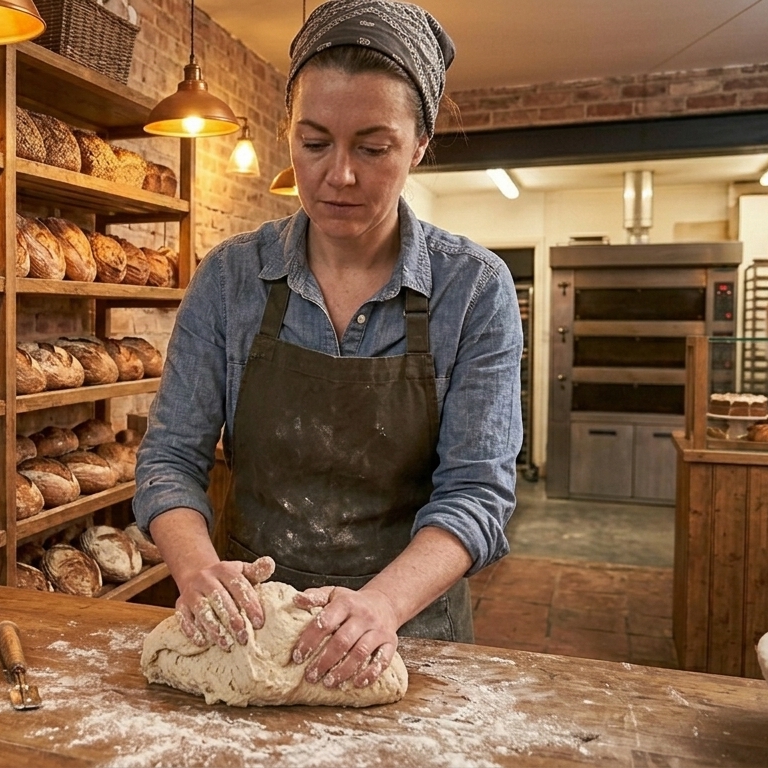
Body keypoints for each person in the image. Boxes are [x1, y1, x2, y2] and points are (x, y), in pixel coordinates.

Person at [132, 0, 522, 692]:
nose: (339, 175)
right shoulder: (230, 279)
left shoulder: (474, 290)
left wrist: (381, 606)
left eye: (373, 148)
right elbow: (169, 457)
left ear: (420, 143)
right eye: (314, 143)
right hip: (245, 631)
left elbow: (477, 493)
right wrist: (195, 569)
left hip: (410, 636)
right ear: (288, 132)